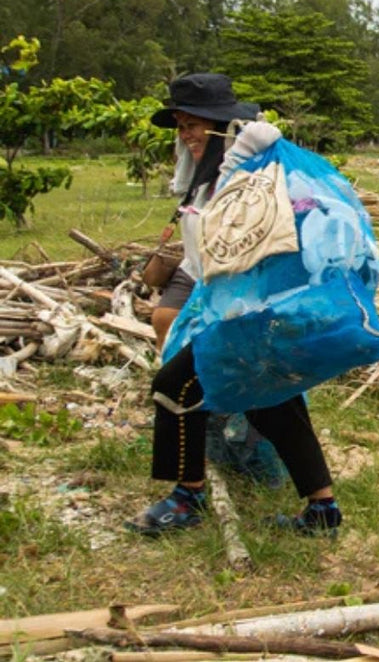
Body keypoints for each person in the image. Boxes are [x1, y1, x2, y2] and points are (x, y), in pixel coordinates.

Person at [127, 74, 342, 536]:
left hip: (256, 315)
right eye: (181, 127)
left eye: (194, 125)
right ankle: (323, 510)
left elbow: (265, 231)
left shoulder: (254, 174)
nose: (186, 136)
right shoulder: (209, 180)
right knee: (273, 404)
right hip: (240, 313)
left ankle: (188, 499)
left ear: (223, 126)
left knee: (174, 387)